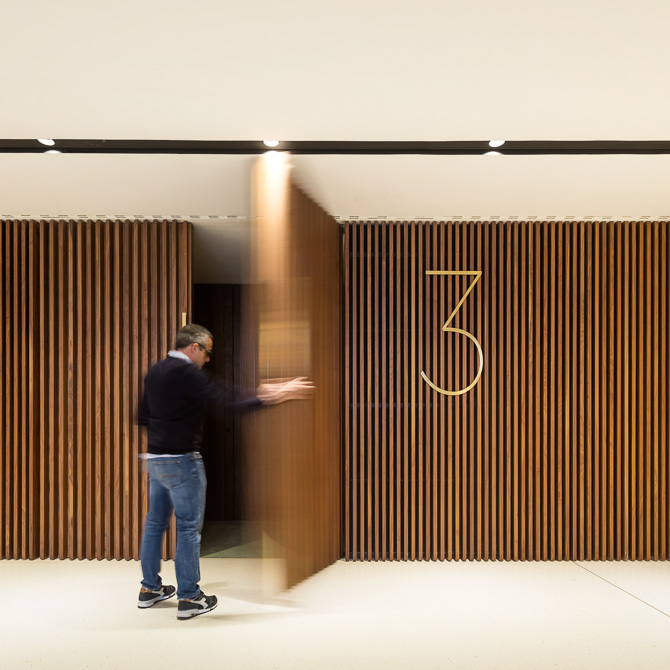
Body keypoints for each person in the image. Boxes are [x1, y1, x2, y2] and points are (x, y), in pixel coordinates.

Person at [136, 323, 312, 620]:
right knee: (188, 528)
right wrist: (276, 395)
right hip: (183, 461)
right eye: (207, 352)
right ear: (194, 347)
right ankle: (190, 597)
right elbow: (229, 401)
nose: (208, 359)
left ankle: (149, 589)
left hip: (155, 459)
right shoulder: (188, 373)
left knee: (155, 524)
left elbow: (142, 416)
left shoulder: (156, 371)